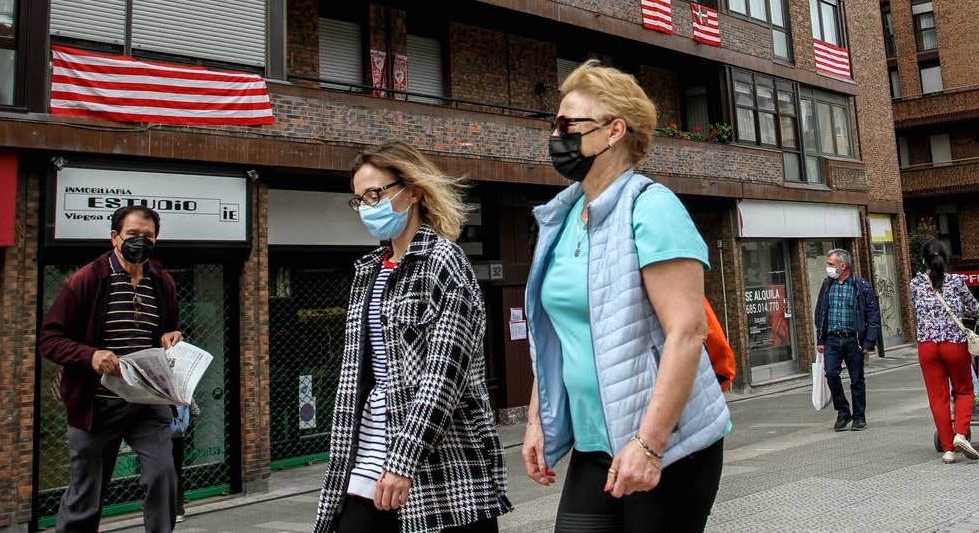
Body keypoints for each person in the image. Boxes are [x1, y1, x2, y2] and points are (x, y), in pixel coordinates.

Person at [522, 60, 730, 533]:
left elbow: (687, 331)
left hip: (668, 445)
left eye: (568, 124)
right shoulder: (564, 214)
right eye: (555, 125)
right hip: (596, 444)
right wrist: (538, 419)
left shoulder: (652, 207)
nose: (556, 136)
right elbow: (554, 333)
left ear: (614, 131)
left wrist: (650, 445)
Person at [313, 140, 509, 533]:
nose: (368, 207)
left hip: (441, 464)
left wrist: (403, 459)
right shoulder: (368, 271)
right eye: (359, 200)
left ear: (413, 191)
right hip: (367, 457)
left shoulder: (444, 262)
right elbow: (360, 375)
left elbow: (444, 377)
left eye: (375, 194)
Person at [39, 206, 182, 533]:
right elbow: (50, 339)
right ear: (114, 237)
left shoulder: (162, 281)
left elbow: (168, 328)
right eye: (132, 235)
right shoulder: (86, 279)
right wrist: (90, 355)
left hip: (148, 403)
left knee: (163, 476)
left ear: (156, 239)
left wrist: (169, 336)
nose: (140, 241)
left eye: (148, 236)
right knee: (86, 494)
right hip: (97, 405)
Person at [909, 240, 979, 464]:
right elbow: (975, 307)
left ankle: (948, 449)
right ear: (946, 258)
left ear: (924, 259)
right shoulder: (957, 282)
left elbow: (916, 308)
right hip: (953, 343)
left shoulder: (915, 284)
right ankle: (961, 434)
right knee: (963, 389)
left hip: (927, 346)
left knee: (937, 397)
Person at [813, 248, 880, 432]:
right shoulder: (827, 285)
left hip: (853, 340)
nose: (828, 268)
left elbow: (873, 315)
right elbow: (820, 313)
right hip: (832, 340)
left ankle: (859, 416)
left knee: (857, 379)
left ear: (843, 266)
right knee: (831, 374)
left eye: (831, 264)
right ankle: (843, 411)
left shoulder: (861, 286)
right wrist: (821, 339)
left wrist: (869, 342)